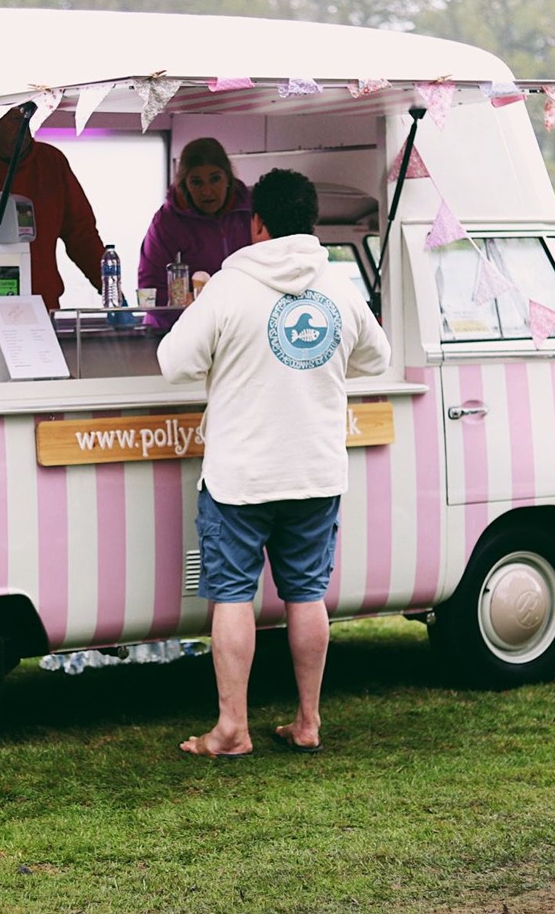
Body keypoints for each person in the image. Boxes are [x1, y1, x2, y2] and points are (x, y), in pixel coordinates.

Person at [156, 168, 391, 759]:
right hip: (315, 470)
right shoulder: (337, 289)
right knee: (307, 596)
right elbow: (377, 358)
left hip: (241, 477)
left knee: (233, 596)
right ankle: (308, 721)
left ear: (255, 222)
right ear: (310, 223)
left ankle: (232, 728)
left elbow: (172, 363)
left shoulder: (231, 287)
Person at [0, 105, 107, 311]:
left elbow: (82, 236)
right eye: (11, 118)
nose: (21, 124)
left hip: (42, 309)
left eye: (25, 116)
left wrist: (110, 290)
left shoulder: (51, 163)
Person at [137, 138, 254, 326]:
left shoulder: (250, 211)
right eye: (197, 182)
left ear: (228, 179)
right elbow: (151, 290)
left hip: (236, 325)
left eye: (215, 179)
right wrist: (196, 316)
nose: (207, 191)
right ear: (185, 185)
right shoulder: (168, 222)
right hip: (176, 330)